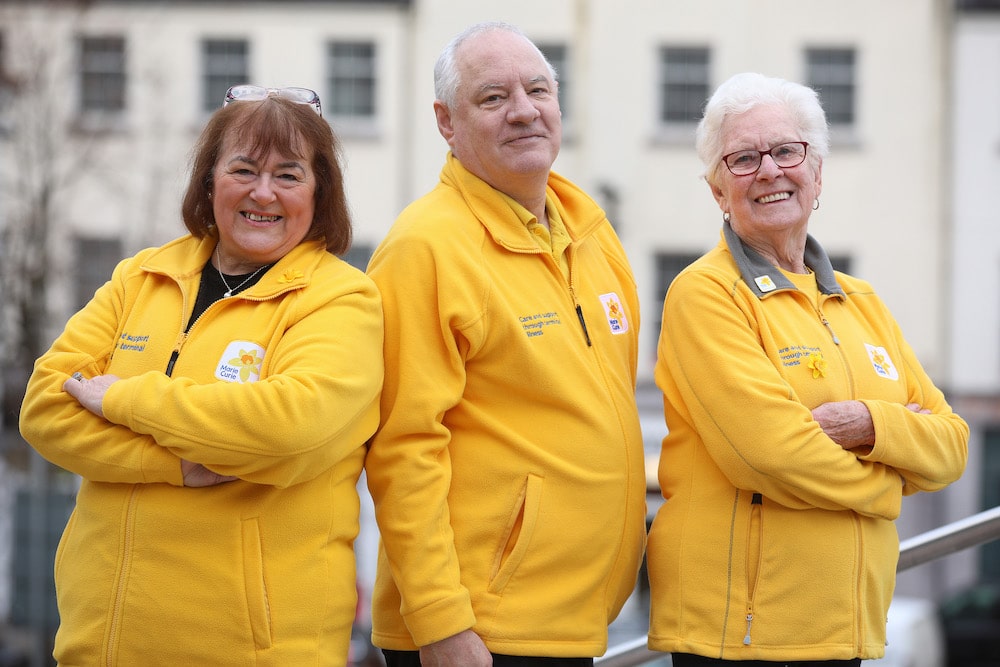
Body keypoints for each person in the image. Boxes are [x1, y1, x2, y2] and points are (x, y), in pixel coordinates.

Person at [18, 85, 384, 666]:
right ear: (210, 181)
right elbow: (43, 407)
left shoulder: (342, 300)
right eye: (243, 169)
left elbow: (288, 425)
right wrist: (174, 464)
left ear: (320, 194)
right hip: (101, 645)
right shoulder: (141, 276)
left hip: (258, 653)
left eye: (288, 176)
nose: (263, 193)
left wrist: (124, 400)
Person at [645, 71, 969, 666]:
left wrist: (870, 425)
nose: (768, 170)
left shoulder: (859, 300)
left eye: (786, 151)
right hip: (742, 638)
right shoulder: (706, 293)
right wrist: (892, 482)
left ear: (816, 173)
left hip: (845, 632)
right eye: (741, 159)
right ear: (718, 190)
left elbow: (952, 445)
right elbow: (773, 454)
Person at [364, 21, 646, 667]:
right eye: (493, 98)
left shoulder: (591, 232)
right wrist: (440, 622)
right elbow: (403, 448)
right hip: (476, 632)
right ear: (446, 121)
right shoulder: (425, 248)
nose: (524, 111)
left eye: (538, 89)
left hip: (567, 618)